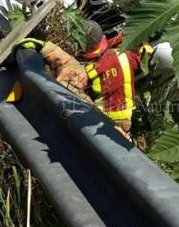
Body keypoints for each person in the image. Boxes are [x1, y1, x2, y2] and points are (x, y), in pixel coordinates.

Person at [20, 21, 151, 139]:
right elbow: (143, 55)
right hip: (127, 116)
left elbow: (70, 72)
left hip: (104, 119)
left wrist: (45, 48)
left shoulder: (93, 68)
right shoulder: (126, 54)